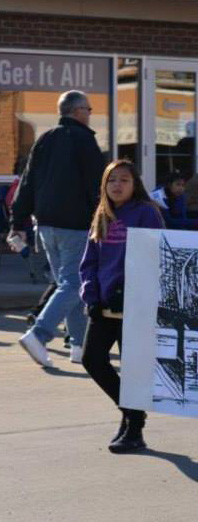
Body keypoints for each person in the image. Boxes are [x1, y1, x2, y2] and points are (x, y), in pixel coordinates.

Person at [10, 90, 106, 367]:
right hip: (75, 225)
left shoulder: (45, 139)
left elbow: (26, 183)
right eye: (88, 109)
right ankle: (39, 335)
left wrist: (19, 222)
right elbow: (96, 186)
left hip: (46, 225)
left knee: (71, 284)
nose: (90, 114)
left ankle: (79, 346)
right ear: (77, 112)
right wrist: (104, 219)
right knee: (74, 283)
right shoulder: (85, 141)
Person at [80, 160, 165, 453]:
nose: (117, 185)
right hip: (103, 304)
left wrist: (131, 290)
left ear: (135, 184)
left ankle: (134, 431)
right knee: (92, 359)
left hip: (135, 304)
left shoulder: (146, 213)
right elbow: (89, 261)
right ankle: (130, 414)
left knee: (133, 368)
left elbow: (155, 256)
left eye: (124, 180)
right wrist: (90, 294)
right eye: (111, 180)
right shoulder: (102, 215)